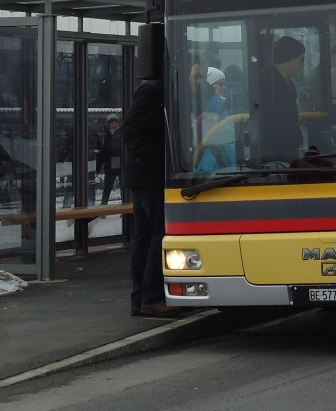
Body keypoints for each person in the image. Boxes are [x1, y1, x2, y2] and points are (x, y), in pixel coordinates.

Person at [122, 77, 183, 319]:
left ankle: (140, 299)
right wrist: (155, 161)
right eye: (195, 76)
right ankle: (152, 297)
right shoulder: (153, 93)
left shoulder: (153, 93)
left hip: (143, 177)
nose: (197, 81)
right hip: (150, 178)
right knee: (157, 235)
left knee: (144, 237)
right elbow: (131, 129)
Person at [256, 35, 305, 161]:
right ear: (289, 58)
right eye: (301, 59)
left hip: (287, 149)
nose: (303, 64)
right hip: (274, 153)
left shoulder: (286, 81)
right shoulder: (267, 82)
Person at [195, 67, 235, 171]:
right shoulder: (216, 102)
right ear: (210, 85)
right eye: (220, 84)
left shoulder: (218, 103)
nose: (224, 87)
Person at [96, 115, 122, 205]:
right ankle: (103, 207)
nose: (113, 124)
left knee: (124, 188)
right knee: (107, 187)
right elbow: (104, 151)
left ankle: (126, 209)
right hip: (110, 164)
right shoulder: (107, 135)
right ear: (109, 124)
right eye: (111, 123)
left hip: (120, 163)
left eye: (115, 122)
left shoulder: (121, 133)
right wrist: (98, 166)